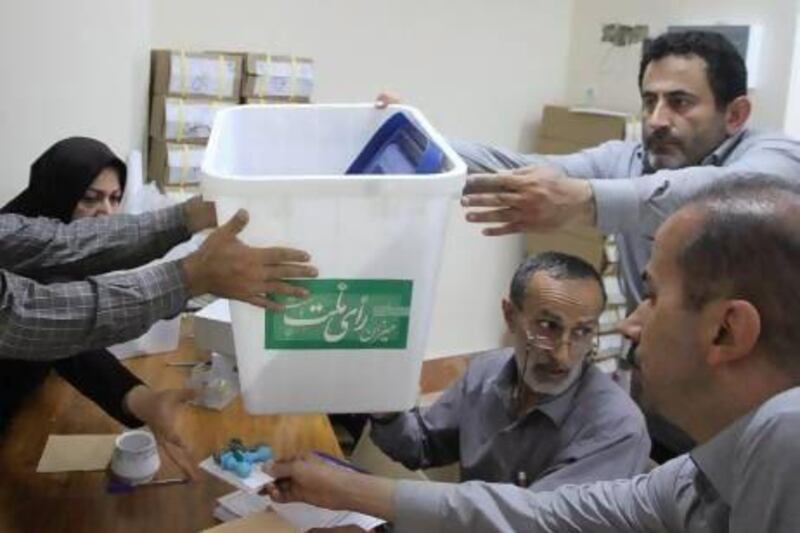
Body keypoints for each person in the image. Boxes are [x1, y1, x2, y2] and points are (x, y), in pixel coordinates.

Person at [265, 177, 800, 532]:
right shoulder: (699, 473)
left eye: (653, 296)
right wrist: (353, 483)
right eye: (546, 326)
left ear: (727, 331)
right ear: (510, 319)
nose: (634, 325)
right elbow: (540, 515)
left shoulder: (786, 436)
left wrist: (355, 491)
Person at [379, 29, 800, 459]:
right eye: (649, 100)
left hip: (753, 411)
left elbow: (722, 198)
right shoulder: (630, 159)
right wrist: (421, 145)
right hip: (662, 386)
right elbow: (526, 171)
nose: (656, 119)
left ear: (735, 114)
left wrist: (586, 199)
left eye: (679, 102)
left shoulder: (778, 158)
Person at [368, 252, 649, 489]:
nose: (562, 356)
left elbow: (535, 521)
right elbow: (423, 446)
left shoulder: (615, 426)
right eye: (548, 327)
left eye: (582, 332)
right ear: (510, 316)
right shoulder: (485, 373)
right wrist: (386, 410)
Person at [0, 137, 192, 476]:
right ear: (54, 195)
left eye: (115, 199)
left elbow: (68, 344)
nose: (106, 212)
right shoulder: (16, 255)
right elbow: (61, 328)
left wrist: (142, 400)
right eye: (90, 198)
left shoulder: (59, 259)